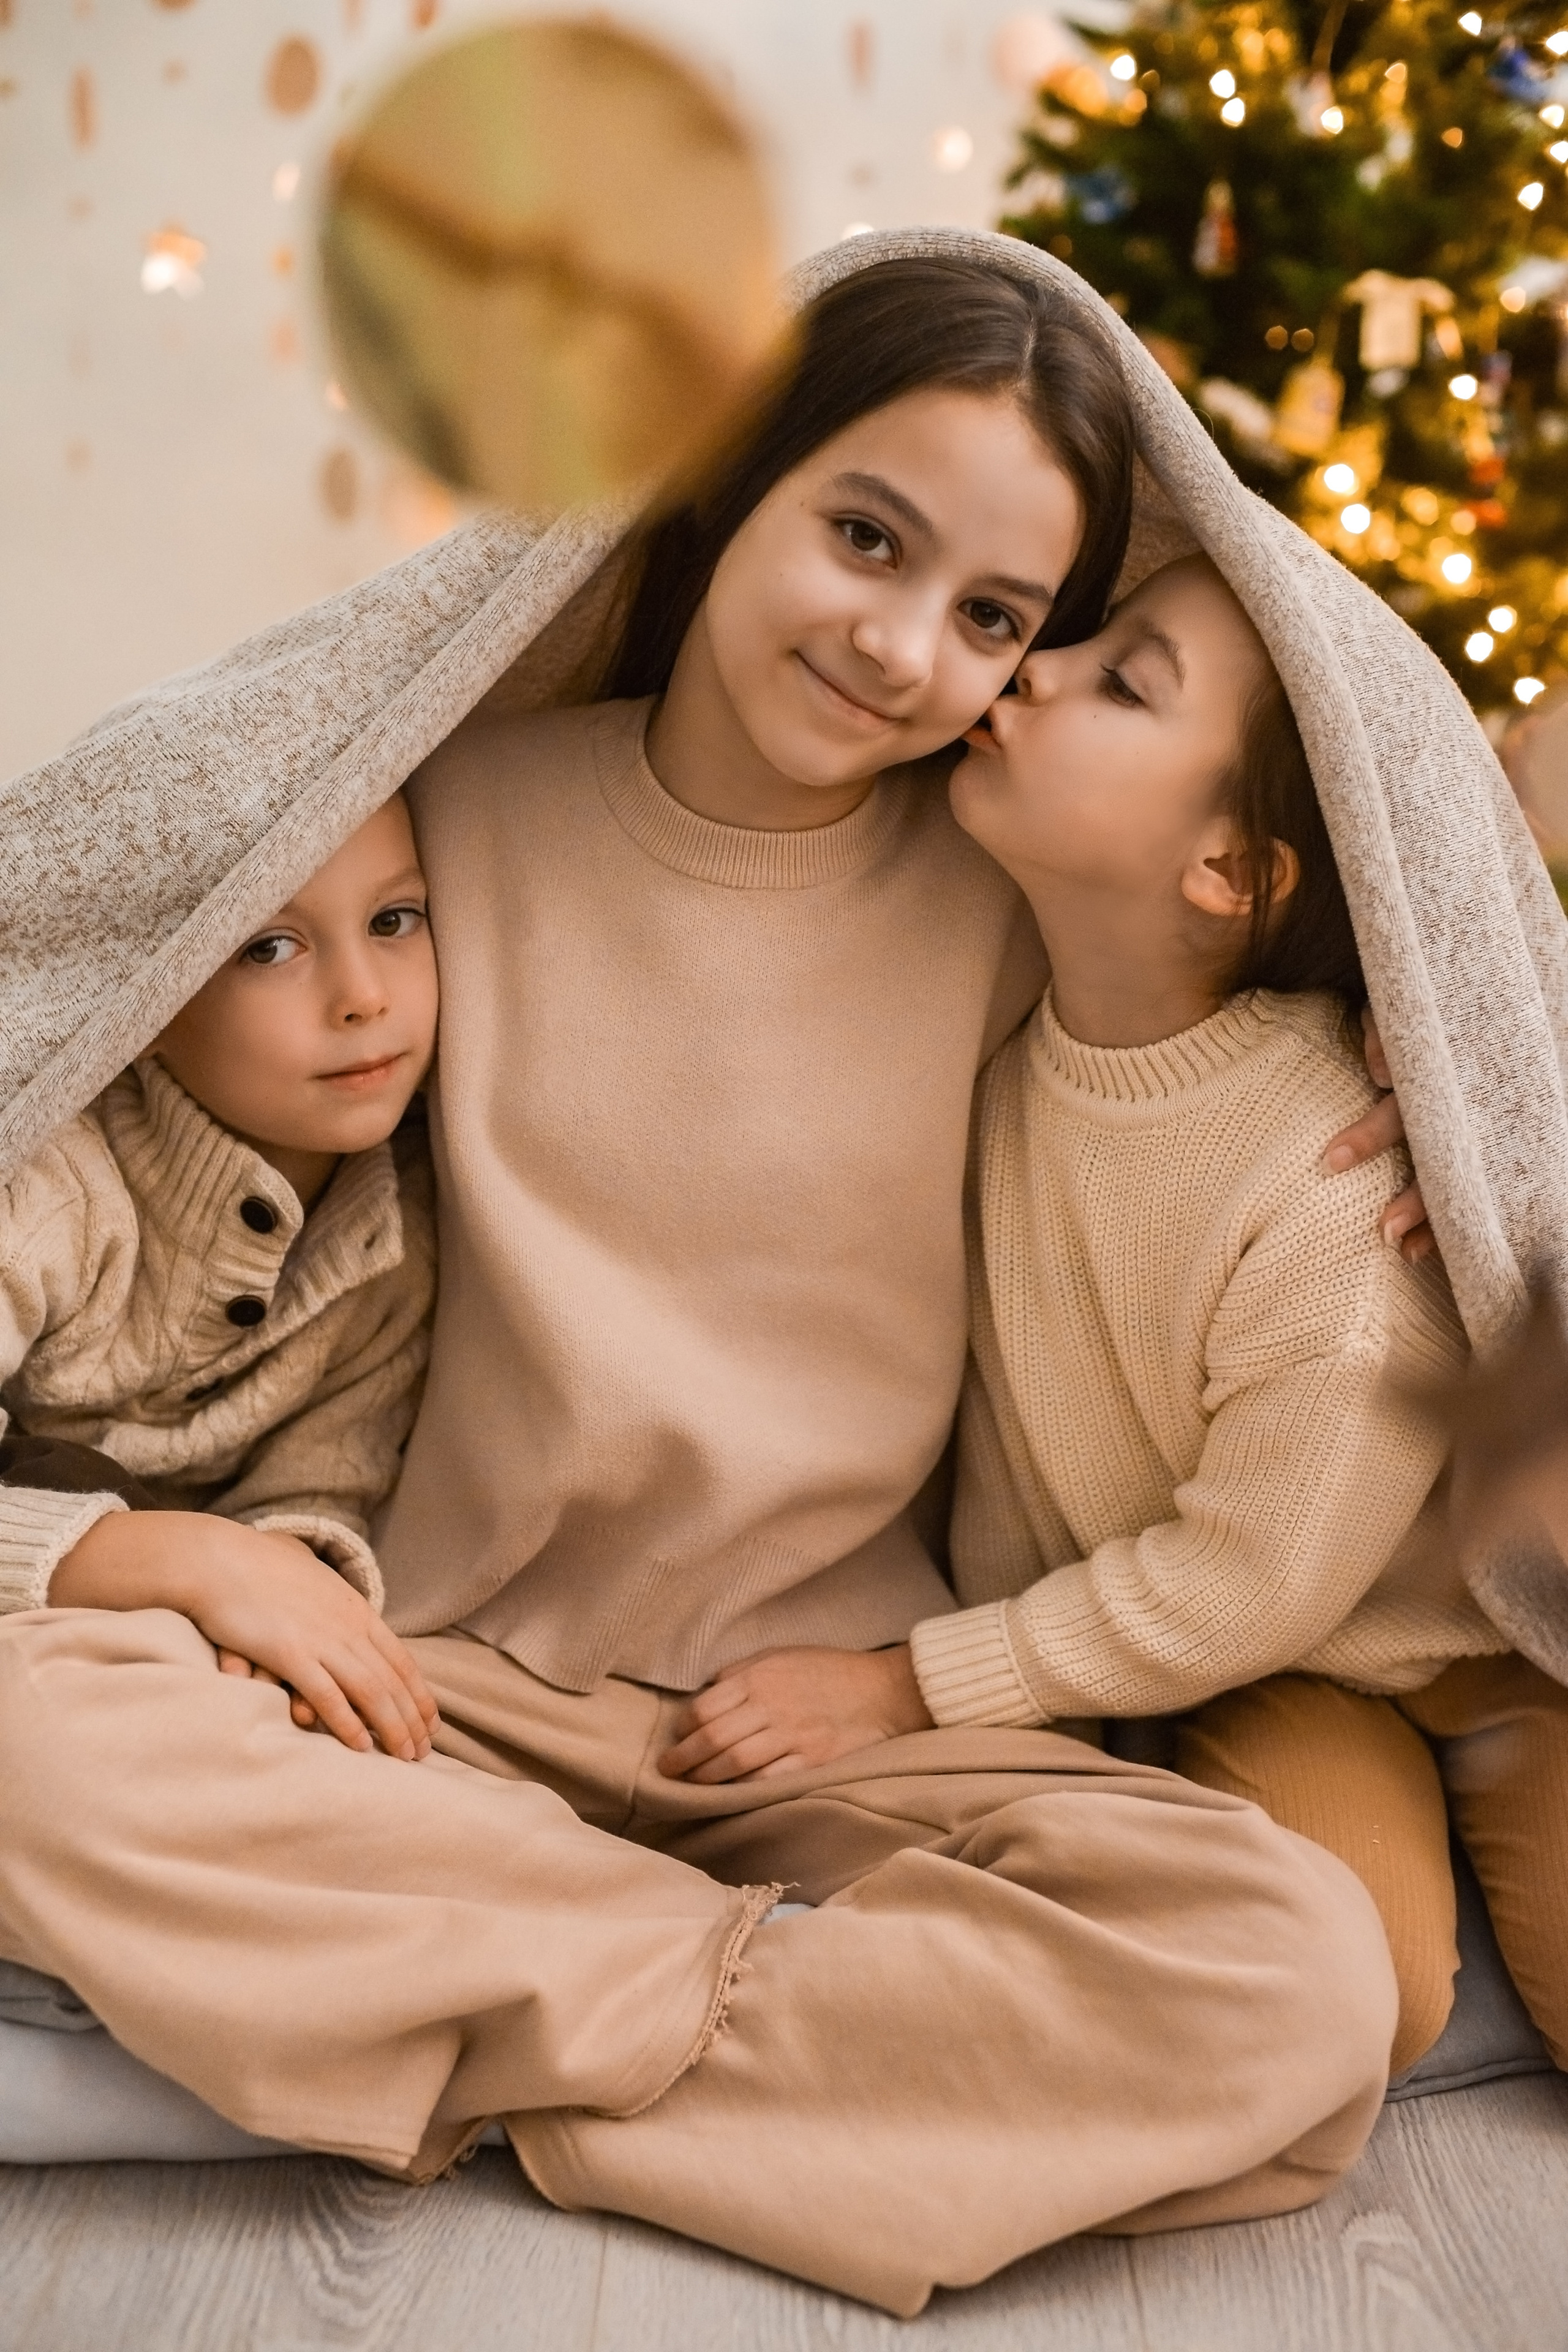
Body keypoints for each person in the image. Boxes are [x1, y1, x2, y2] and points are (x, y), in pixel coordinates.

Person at [0, 250, 1428, 2316]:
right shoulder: (448, 815)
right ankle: (717, 2027)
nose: (901, 647)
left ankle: (414, 2037)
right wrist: (159, 1561)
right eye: (867, 538)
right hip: (447, 1692)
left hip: (842, 1719)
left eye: (996, 618)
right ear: (725, 482)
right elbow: (124, 945)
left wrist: (1422, 1070)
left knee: (1300, 1982)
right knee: (33, 1726)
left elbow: (1291, 934)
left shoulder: (1015, 884)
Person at [679, 552, 1566, 2082]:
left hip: (1451, 1638)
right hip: (1264, 1662)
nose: (1029, 665)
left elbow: (1246, 1580)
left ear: (1230, 871)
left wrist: (903, 1687)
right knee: (1348, 1984)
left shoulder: (1329, 1190)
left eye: (1121, 682)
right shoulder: (982, 1016)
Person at [0, 796, 440, 1762]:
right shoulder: (52, 1186)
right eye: (269, 948)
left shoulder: (402, 1227)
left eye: (394, 920)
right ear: (149, 1001)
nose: (363, 995)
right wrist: (192, 1562)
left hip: (184, 1662)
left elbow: (322, 1483)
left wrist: (284, 1576)